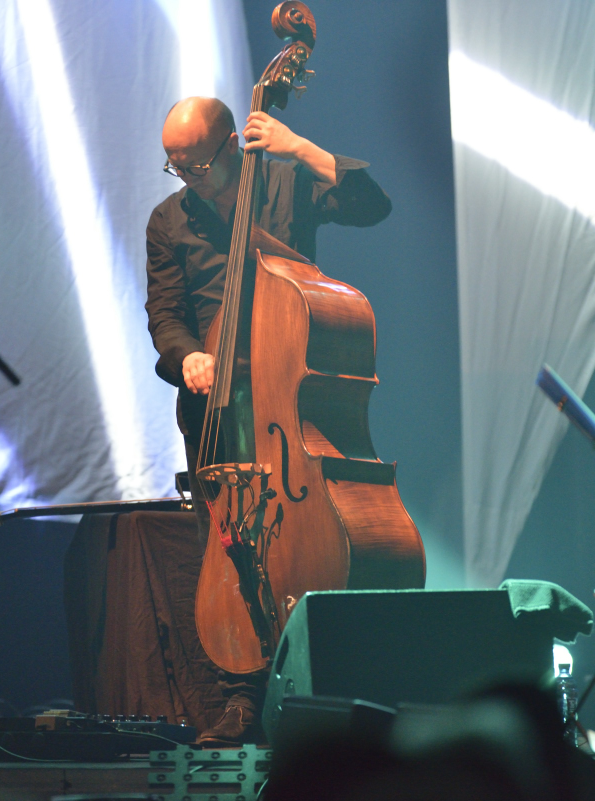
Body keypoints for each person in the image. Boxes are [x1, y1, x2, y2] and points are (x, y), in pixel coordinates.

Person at [144, 96, 392, 743]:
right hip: (217, 408)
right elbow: (164, 314)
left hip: (292, 402)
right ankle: (239, 698)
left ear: (231, 145)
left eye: (196, 164)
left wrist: (301, 147)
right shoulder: (167, 222)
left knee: (312, 542)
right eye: (175, 166)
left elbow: (372, 207)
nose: (186, 177)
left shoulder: (285, 184)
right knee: (230, 552)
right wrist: (189, 356)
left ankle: (324, 684)